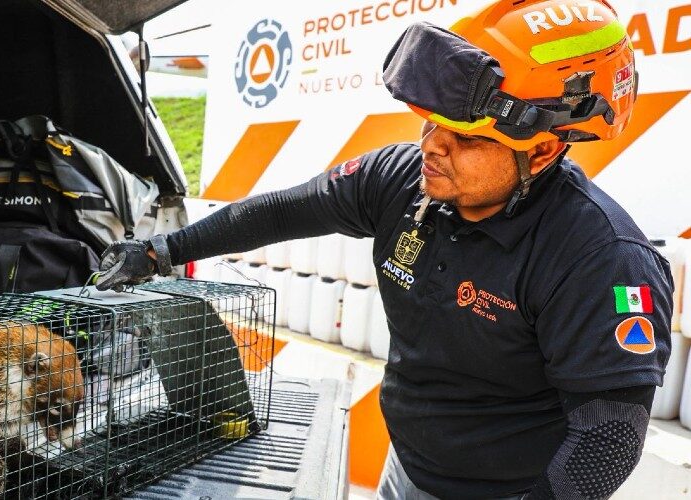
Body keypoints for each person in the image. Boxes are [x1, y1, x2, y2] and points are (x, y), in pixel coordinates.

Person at [95, 0, 674, 498]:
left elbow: (608, 435)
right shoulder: (401, 179)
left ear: (543, 153)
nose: (432, 147)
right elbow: (284, 210)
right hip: (407, 468)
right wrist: (161, 251)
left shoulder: (599, 258)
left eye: (466, 138)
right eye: (431, 124)